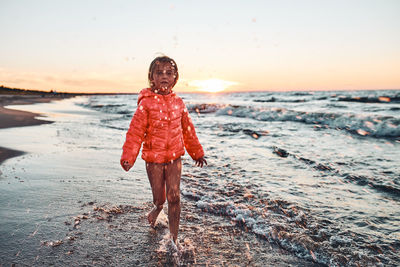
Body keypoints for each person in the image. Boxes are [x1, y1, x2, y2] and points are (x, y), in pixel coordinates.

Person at [120, 56, 207, 244]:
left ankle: (174, 239)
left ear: (175, 77)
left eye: (169, 72)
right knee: (159, 196)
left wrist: (197, 152)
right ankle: (157, 207)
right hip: (154, 160)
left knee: (174, 196)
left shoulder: (179, 103)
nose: (164, 76)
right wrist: (128, 157)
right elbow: (135, 132)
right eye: (159, 72)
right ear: (152, 77)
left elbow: (188, 130)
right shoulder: (146, 104)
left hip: (175, 157)